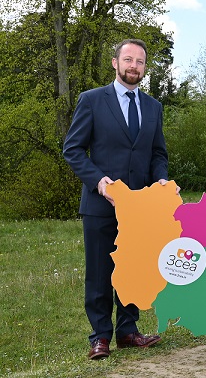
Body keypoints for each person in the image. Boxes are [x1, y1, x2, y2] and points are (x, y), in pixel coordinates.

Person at [63, 39, 176, 359]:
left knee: (134, 270)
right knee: (100, 271)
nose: (134, 66)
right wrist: (99, 182)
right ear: (115, 63)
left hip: (140, 209)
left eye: (140, 62)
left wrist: (161, 180)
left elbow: (157, 154)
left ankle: (128, 331)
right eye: (128, 60)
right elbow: (72, 150)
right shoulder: (91, 100)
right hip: (101, 205)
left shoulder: (153, 107)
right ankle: (100, 336)